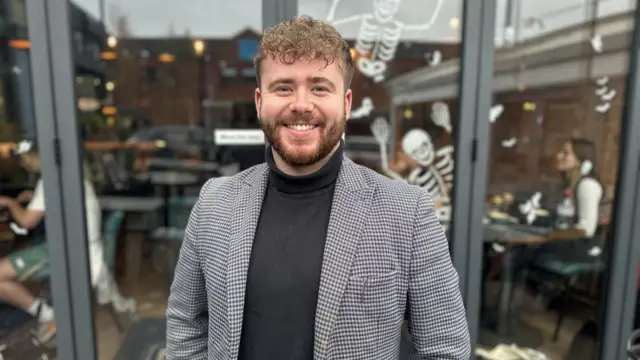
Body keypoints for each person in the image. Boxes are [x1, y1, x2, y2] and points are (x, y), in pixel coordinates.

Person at [166, 16, 470, 360]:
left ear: (347, 102)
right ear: (259, 101)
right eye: (283, 87)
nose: (301, 103)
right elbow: (186, 323)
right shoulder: (214, 203)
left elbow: (446, 349)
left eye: (320, 87)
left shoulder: (407, 212)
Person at [0, 139, 108, 343]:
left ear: (37, 157)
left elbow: (27, 222)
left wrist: (10, 203)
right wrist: (34, 197)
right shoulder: (69, 175)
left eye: (24, 159)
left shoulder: (49, 180)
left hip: (68, 250)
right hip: (80, 244)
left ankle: (46, 314)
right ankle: (42, 312)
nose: (22, 164)